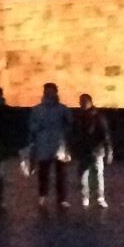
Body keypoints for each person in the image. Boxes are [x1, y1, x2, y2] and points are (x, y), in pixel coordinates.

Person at [25, 83, 72, 211]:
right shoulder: (37, 109)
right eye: (48, 92)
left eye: (52, 92)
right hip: (43, 144)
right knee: (43, 173)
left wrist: (64, 135)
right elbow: (31, 127)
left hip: (59, 145)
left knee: (61, 174)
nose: (50, 94)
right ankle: (42, 196)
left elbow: (70, 125)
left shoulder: (63, 109)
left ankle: (62, 198)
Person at [67, 92, 113, 210]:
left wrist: (109, 150)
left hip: (96, 151)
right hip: (84, 151)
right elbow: (74, 134)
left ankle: (100, 198)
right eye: (80, 102)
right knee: (84, 176)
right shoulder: (79, 117)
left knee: (97, 175)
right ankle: (86, 197)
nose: (81, 104)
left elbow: (105, 135)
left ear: (89, 102)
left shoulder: (98, 117)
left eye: (83, 102)